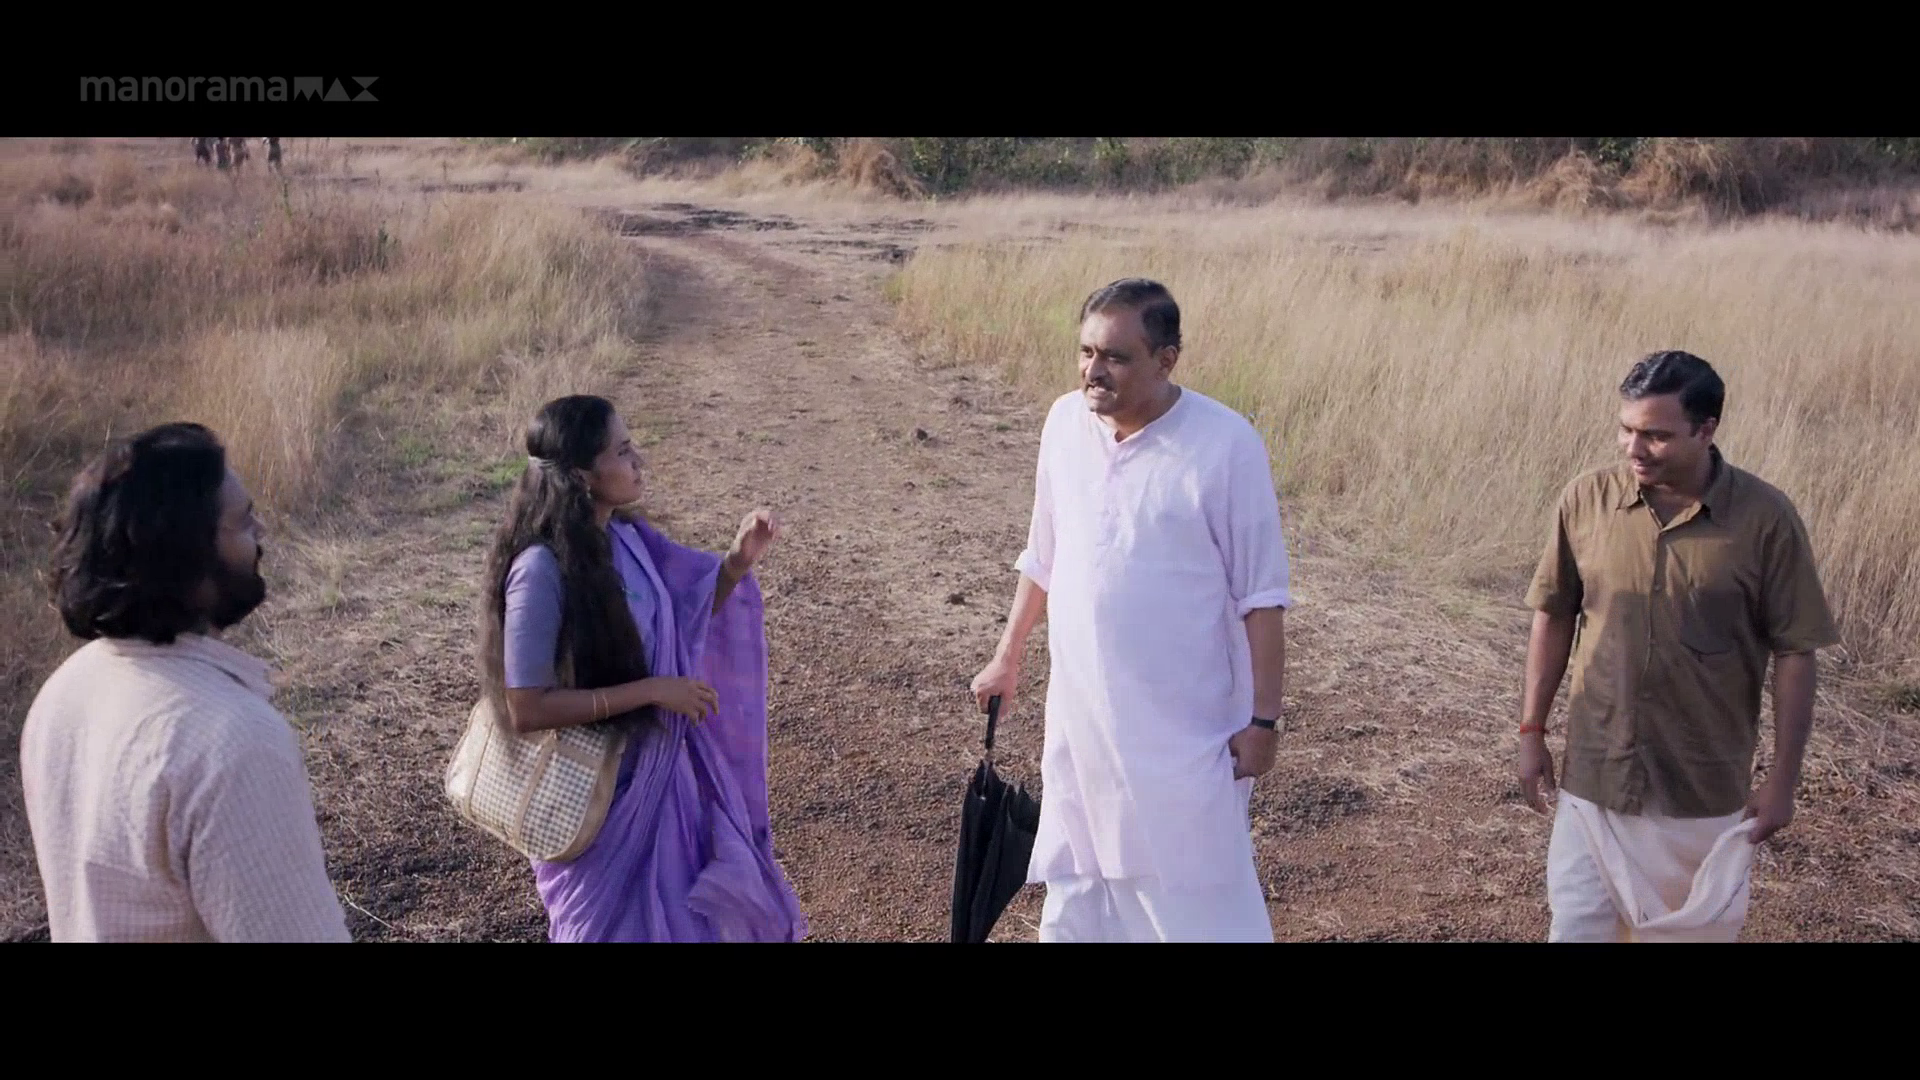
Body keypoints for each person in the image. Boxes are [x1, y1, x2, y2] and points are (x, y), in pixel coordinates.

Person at [969, 278, 1292, 943]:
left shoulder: (1224, 446)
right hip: (1081, 719)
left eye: (1116, 357)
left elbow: (1262, 598)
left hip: (1185, 735)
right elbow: (1044, 555)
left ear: (1166, 359)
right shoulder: (1065, 424)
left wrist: (1263, 721)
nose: (1094, 371)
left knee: (1195, 900)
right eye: (1086, 352)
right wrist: (1007, 656)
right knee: (1078, 889)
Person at [1518, 350, 1841, 942]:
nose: (1634, 448)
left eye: (1656, 435)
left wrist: (1783, 782)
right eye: (1626, 429)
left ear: (1706, 429)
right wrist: (1531, 731)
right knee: (1576, 928)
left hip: (1700, 793)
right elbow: (1554, 615)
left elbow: (1796, 653)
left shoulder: (1765, 520)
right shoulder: (1586, 500)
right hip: (1594, 780)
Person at [476, 394, 807, 942]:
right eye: (623, 451)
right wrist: (651, 691)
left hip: (664, 782)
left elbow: (685, 613)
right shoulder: (540, 571)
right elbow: (526, 707)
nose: (639, 462)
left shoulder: (626, 541)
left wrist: (736, 563)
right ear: (582, 475)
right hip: (598, 804)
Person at [20, 422, 350, 942]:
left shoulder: (65, 691)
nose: (261, 532)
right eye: (243, 522)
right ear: (185, 555)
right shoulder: (232, 743)